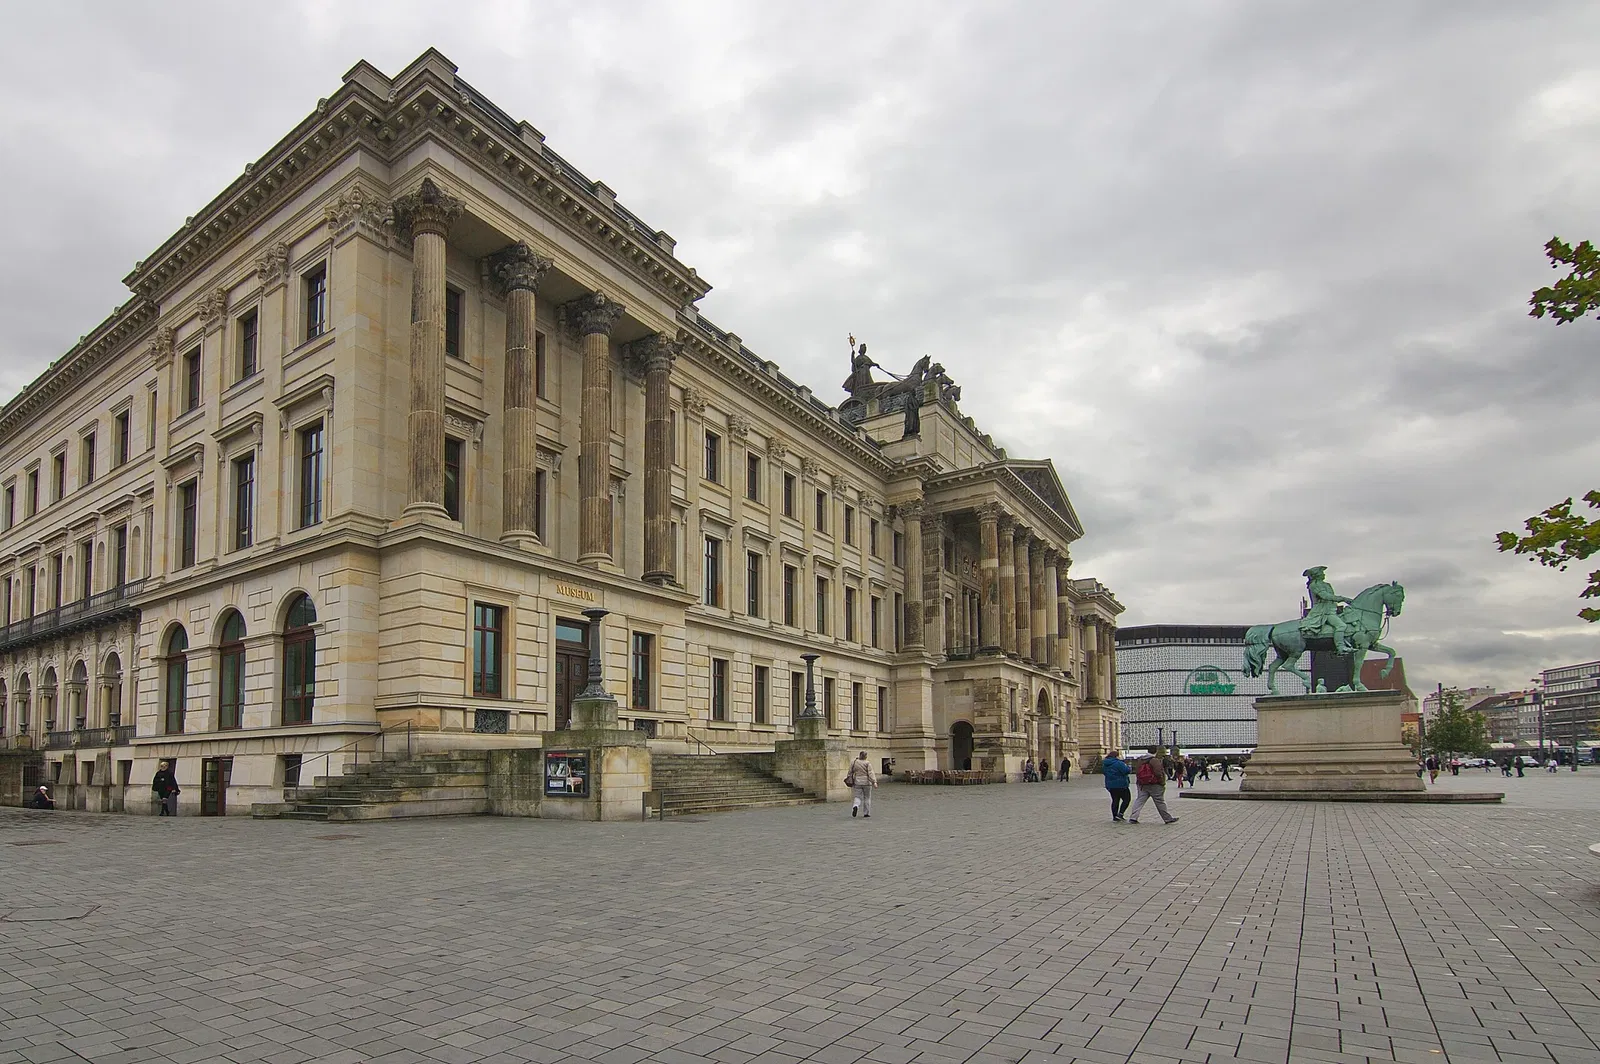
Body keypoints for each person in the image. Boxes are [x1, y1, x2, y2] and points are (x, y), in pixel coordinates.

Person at [1128, 746, 1179, 825]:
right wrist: (1162, 782)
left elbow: (1137, 771)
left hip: (1142, 784)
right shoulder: (1154, 760)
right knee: (1159, 801)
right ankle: (1167, 818)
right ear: (1156, 751)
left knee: (1140, 800)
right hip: (1154, 784)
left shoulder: (1140, 760)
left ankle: (1133, 817)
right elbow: (1158, 772)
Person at [1102, 749, 1133, 823]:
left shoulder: (1105, 764)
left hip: (1110, 785)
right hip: (1121, 784)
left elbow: (1104, 772)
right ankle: (1121, 814)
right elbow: (1126, 771)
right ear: (1117, 756)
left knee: (1115, 800)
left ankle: (1114, 816)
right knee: (1127, 799)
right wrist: (1129, 767)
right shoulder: (1119, 763)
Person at [846, 750, 876, 818]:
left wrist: (849, 778)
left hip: (857, 781)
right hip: (867, 782)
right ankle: (866, 813)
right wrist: (874, 782)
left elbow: (850, 771)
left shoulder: (854, 762)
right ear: (866, 756)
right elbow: (870, 773)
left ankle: (855, 805)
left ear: (859, 755)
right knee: (867, 798)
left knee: (857, 796)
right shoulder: (867, 763)